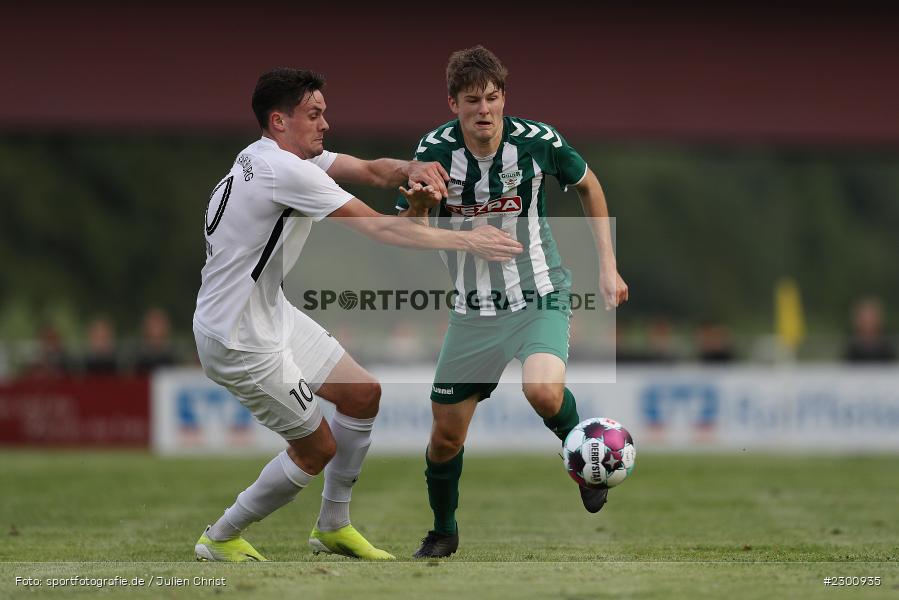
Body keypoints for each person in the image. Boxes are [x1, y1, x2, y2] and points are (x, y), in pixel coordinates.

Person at [192, 67, 522, 563]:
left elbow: (371, 170)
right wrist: (468, 238)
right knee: (315, 449)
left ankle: (333, 526)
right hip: (238, 336)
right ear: (280, 121)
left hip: (268, 314)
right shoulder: (287, 172)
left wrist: (412, 168)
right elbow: (384, 231)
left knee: (362, 394)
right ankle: (219, 536)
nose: (325, 123)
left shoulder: (270, 157)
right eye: (314, 114)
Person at [396, 46, 628, 558]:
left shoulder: (537, 141)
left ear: (505, 99)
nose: (485, 109)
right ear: (453, 103)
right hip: (472, 312)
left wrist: (607, 265)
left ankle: (586, 464)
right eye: (473, 100)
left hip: (539, 294)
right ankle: (443, 531)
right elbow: (408, 231)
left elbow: (589, 186)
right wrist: (419, 205)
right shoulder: (432, 152)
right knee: (445, 439)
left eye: (493, 98)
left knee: (542, 392)